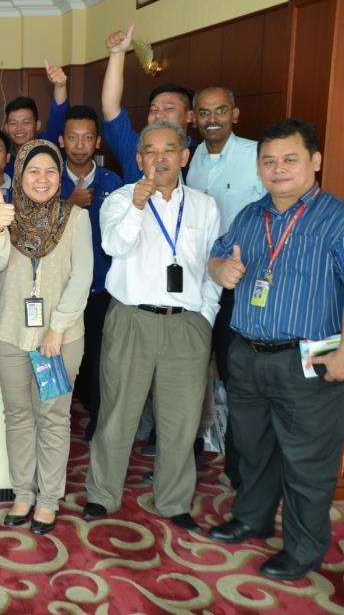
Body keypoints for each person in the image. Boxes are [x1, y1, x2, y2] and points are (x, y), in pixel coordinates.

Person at [207, 119, 344, 581]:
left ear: (315, 161)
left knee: (306, 460)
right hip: (248, 353)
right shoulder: (251, 215)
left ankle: (304, 549)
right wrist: (219, 269)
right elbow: (217, 254)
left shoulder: (336, 218)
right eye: (269, 161)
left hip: (309, 358)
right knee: (253, 447)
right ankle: (253, 518)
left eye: (290, 159)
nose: (278, 169)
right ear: (258, 167)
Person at [82, 122, 220, 533]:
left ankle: (174, 499)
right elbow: (114, 246)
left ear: (184, 156)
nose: (160, 158)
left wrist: (205, 318)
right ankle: (102, 493)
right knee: (117, 413)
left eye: (169, 150)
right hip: (132, 319)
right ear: (139, 159)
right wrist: (138, 206)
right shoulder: (120, 199)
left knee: (181, 420)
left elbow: (210, 268)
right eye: (151, 151)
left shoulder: (204, 206)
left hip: (186, 325)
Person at [0, 139, 92, 535]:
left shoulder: (76, 217)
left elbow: (82, 277)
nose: (42, 178)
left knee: (52, 417)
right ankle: (23, 493)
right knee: (18, 416)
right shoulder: (3, 214)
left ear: (59, 176)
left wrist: (57, 327)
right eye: (33, 171)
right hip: (10, 334)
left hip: (59, 338)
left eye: (50, 171)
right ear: (20, 175)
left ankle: (48, 499)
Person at [186, 85, 264, 487]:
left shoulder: (256, 156)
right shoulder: (193, 158)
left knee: (238, 380)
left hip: (242, 288)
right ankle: (191, 456)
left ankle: (240, 470)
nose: (212, 119)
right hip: (199, 285)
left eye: (220, 111)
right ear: (194, 118)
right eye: (204, 112)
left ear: (235, 113)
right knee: (195, 373)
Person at [57, 106, 123, 440]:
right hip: (60, 291)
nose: (80, 145)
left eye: (87, 138)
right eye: (73, 137)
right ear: (61, 141)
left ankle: (97, 428)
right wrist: (69, 203)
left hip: (101, 290)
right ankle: (55, 427)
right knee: (60, 361)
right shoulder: (48, 180)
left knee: (101, 361)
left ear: (98, 141)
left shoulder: (114, 183)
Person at [101, 24, 194, 183]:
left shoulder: (202, 154)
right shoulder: (135, 148)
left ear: (189, 116)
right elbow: (110, 108)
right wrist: (117, 54)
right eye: (153, 109)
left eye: (169, 108)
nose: (159, 114)